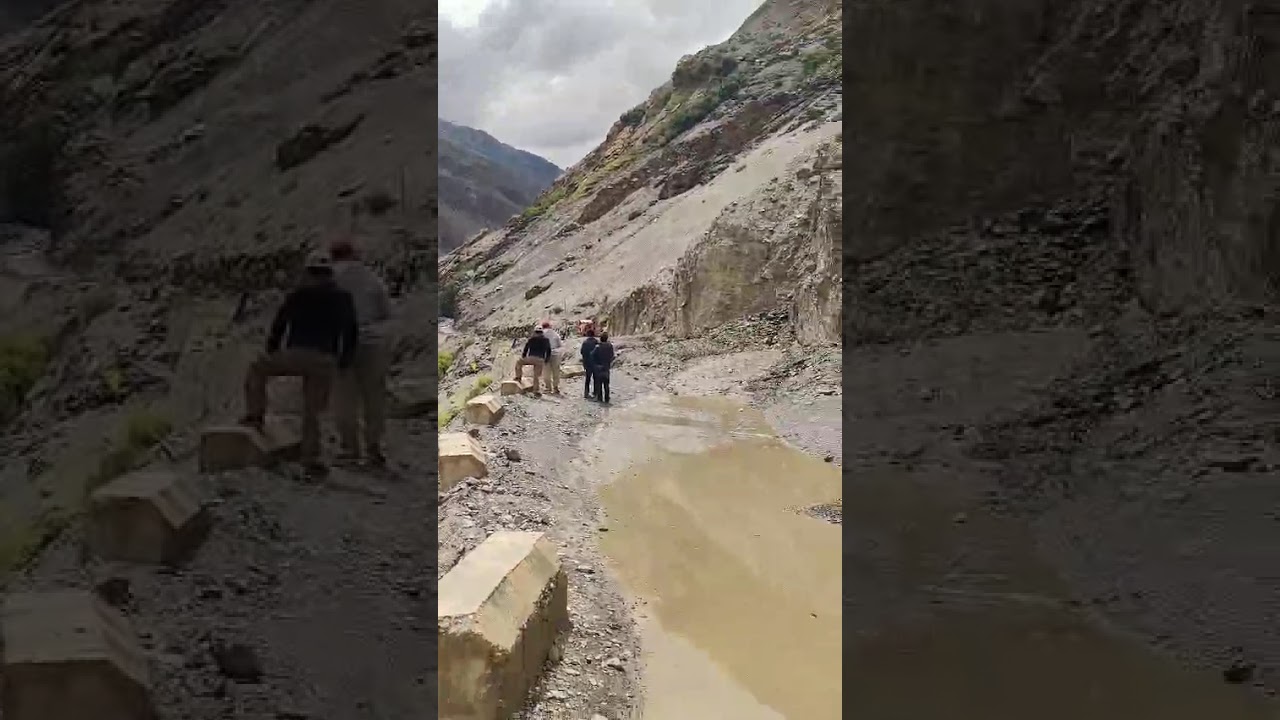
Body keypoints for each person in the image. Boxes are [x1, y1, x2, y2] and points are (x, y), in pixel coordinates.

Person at [241, 254, 358, 477]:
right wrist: (344, 360)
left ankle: (255, 416)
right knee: (313, 411)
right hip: (325, 359)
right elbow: (350, 331)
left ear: (308, 273)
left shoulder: (298, 295)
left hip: (296, 353)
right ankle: (311, 458)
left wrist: (273, 350)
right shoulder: (343, 297)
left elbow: (279, 324)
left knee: (256, 370)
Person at [329, 238, 392, 466]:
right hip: (372, 343)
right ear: (354, 254)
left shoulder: (328, 280)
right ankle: (374, 448)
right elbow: (385, 311)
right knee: (373, 397)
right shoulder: (370, 277)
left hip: (340, 344)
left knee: (344, 398)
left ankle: (350, 449)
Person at [515, 327, 551, 397]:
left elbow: (526, 348)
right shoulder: (546, 340)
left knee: (518, 362)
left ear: (535, 332)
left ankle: (518, 377)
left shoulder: (532, 339)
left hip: (531, 358)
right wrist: (546, 360)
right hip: (540, 359)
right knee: (536, 376)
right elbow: (548, 350)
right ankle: (536, 390)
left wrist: (524, 356)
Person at [591, 332, 615, 404]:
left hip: (599, 367)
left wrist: (595, 363)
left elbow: (592, 355)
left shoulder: (597, 347)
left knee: (599, 384)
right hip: (606, 367)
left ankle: (600, 398)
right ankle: (607, 398)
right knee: (606, 384)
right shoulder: (610, 346)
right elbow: (612, 356)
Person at [541, 320, 563, 394]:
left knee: (546, 371)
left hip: (545, 354)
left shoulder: (541, 334)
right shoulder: (555, 334)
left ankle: (548, 387)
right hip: (555, 354)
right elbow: (560, 345)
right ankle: (555, 387)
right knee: (556, 371)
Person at [579, 328, 599, 400]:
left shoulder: (585, 342)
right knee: (596, 378)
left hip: (587, 363)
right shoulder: (596, 342)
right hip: (595, 363)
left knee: (588, 378)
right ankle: (596, 393)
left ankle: (586, 393)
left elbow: (581, 352)